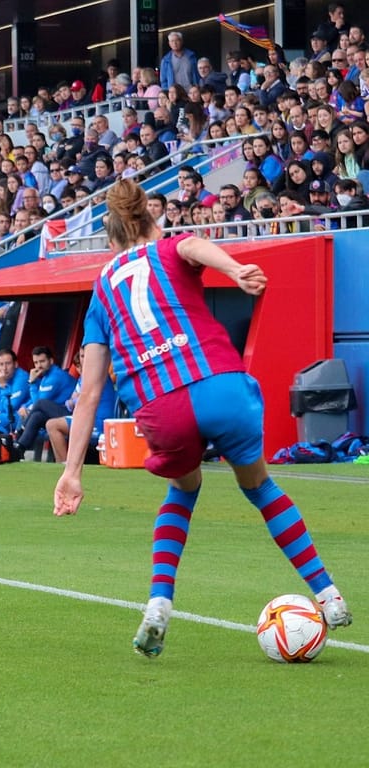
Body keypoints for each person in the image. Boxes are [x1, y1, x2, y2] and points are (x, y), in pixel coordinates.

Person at [52, 178, 352, 658]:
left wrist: (71, 473)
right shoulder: (171, 248)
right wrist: (235, 270)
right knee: (259, 488)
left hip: (161, 408)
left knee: (184, 489)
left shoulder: (102, 289)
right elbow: (194, 244)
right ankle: (329, 595)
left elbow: (88, 392)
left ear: (111, 239)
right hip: (219, 388)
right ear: (153, 221)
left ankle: (158, 604)